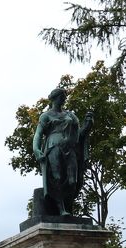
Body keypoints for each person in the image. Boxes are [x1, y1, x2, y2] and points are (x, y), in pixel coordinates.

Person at [33, 87, 93, 216]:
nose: (64, 99)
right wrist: (37, 150)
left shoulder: (70, 115)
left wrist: (88, 126)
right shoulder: (46, 116)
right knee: (57, 177)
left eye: (65, 97)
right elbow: (38, 135)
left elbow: (79, 135)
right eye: (62, 96)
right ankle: (61, 209)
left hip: (69, 148)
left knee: (73, 181)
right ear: (55, 98)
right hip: (53, 146)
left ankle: (68, 207)